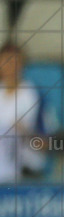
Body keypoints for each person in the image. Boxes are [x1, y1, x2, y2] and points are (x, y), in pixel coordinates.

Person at [0, 42, 56, 182]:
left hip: (26, 170)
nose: (10, 67)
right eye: (6, 61)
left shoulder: (34, 96)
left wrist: (27, 134)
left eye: (15, 62)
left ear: (23, 64)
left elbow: (49, 143)